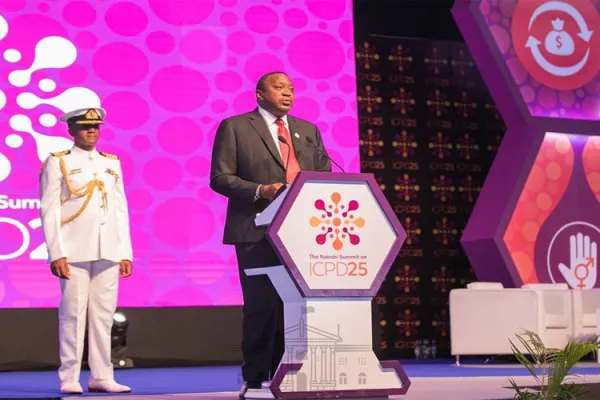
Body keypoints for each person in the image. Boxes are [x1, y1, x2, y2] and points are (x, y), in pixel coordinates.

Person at [209, 72, 332, 398]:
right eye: (279, 88)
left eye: (291, 89)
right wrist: (261, 189)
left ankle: (291, 372)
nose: (288, 93)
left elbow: (324, 174)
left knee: (297, 306)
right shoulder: (235, 127)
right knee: (262, 305)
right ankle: (256, 377)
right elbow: (220, 178)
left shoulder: (308, 131)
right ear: (259, 94)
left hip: (302, 232)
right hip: (255, 229)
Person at [39, 107, 133, 394]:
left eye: (95, 127)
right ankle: (69, 376)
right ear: (71, 130)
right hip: (73, 248)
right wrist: (56, 252)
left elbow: (120, 209)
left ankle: (102, 375)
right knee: (73, 314)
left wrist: (125, 251)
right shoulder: (58, 162)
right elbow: (49, 209)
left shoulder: (110, 163)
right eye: (84, 126)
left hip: (108, 248)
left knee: (104, 315)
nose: (92, 131)